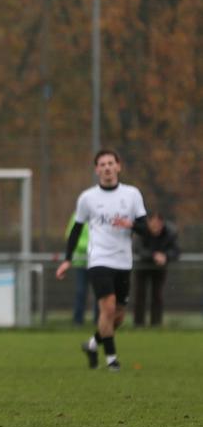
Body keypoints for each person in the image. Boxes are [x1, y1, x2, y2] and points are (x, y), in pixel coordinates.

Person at [56, 149, 147, 371]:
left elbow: (145, 228)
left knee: (118, 317)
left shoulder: (132, 194)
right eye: (102, 164)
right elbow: (76, 230)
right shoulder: (87, 198)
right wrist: (67, 259)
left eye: (110, 163)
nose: (107, 167)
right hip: (99, 259)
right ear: (97, 170)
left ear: (118, 166)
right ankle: (112, 360)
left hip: (123, 261)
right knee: (107, 308)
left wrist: (131, 225)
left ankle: (92, 343)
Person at [133, 212, 179, 327]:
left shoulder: (169, 233)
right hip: (143, 267)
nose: (155, 226)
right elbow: (138, 249)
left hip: (159, 268)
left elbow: (175, 250)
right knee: (140, 295)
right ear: (148, 223)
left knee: (157, 295)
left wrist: (165, 256)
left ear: (162, 223)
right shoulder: (141, 232)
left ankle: (156, 324)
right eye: (153, 223)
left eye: (158, 223)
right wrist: (154, 256)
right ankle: (138, 324)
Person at [65, 214, 98, 325]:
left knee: (99, 292)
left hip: (96, 262)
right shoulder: (77, 216)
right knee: (80, 291)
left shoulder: (98, 214)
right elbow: (70, 235)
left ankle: (99, 320)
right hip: (81, 262)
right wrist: (88, 247)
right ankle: (78, 320)